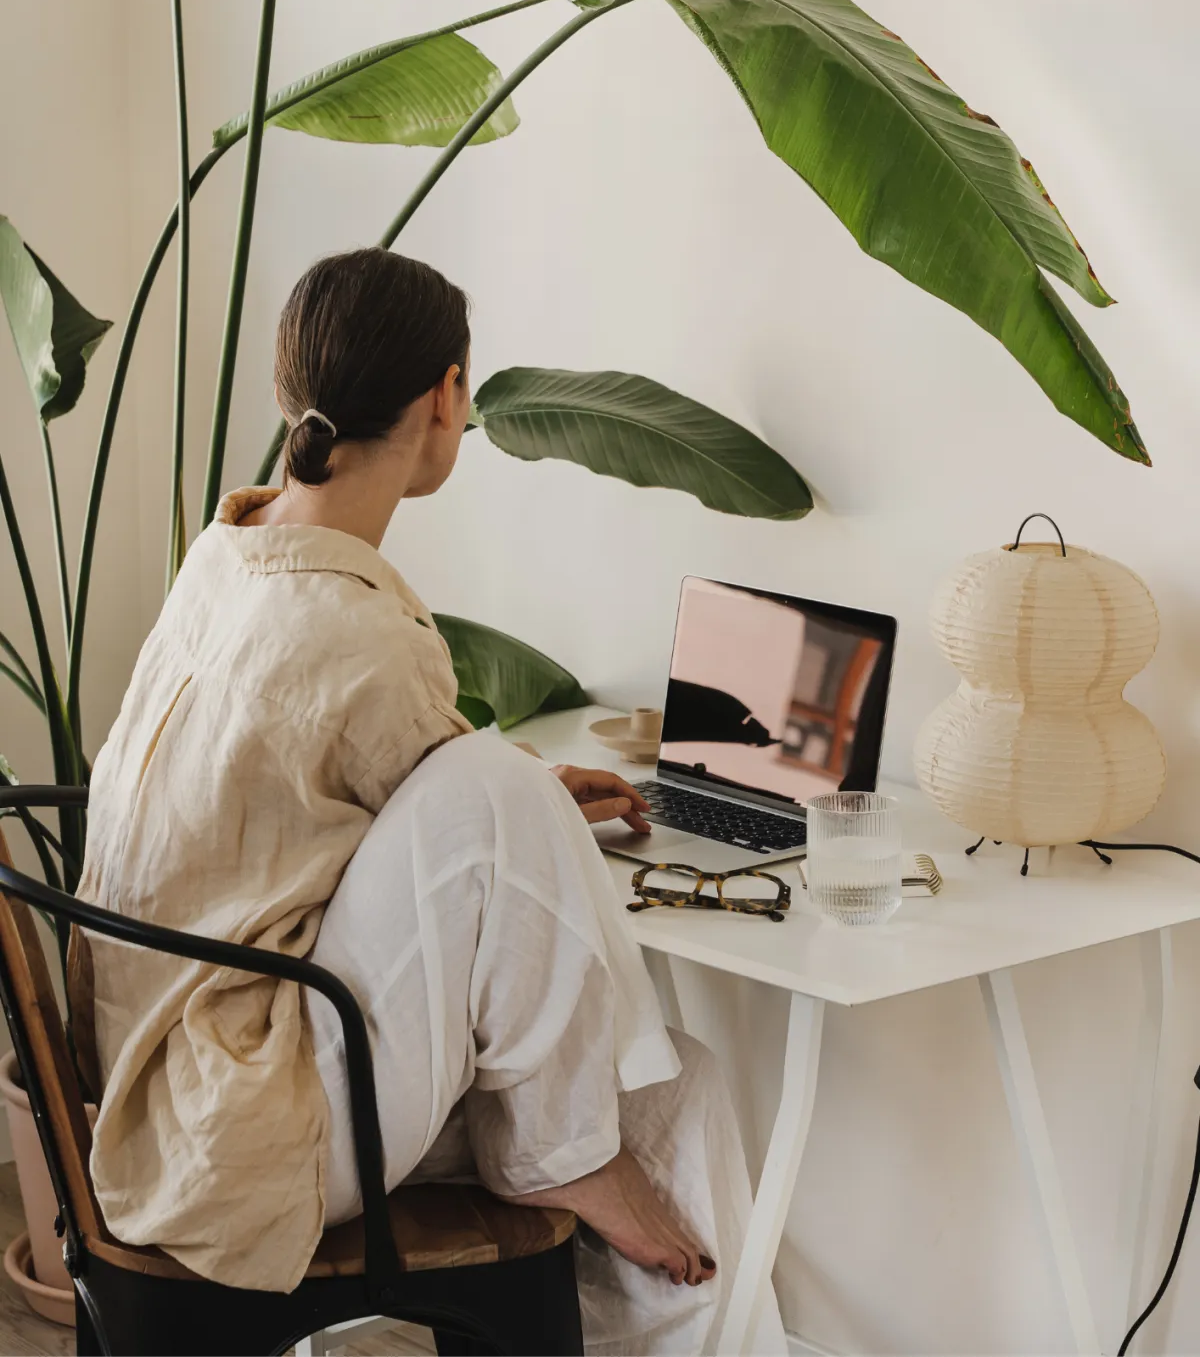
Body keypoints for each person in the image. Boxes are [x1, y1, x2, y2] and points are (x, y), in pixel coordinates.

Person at [69, 248, 786, 1355]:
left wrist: (533, 798)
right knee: (644, 1076)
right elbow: (459, 798)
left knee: (672, 1082)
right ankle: (567, 1159)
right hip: (251, 1124)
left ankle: (575, 1157)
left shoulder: (227, 553)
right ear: (448, 396)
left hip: (152, 1082)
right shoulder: (358, 625)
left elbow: (378, 792)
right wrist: (525, 796)